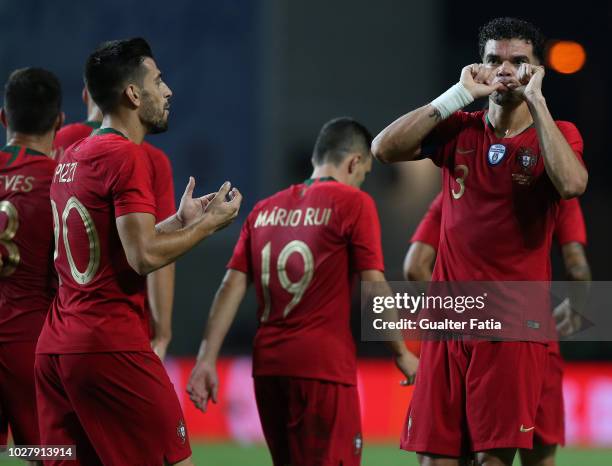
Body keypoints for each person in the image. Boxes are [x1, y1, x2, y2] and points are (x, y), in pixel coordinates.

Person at [372, 17, 587, 466]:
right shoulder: (461, 129)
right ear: (480, 66)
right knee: (433, 458)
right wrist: (458, 95)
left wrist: (537, 100)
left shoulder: (559, 134)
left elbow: (571, 185)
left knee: (493, 459)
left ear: (536, 69)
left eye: (518, 62)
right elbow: (383, 150)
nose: (505, 70)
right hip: (451, 320)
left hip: (512, 321)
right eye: (494, 60)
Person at [34, 38, 242, 465]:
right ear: (133, 93)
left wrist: (179, 222)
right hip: (109, 346)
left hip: (57, 348)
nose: (167, 91)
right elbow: (143, 257)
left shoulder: (72, 155)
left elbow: (112, 243)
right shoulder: (125, 157)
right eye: (158, 80)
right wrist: (208, 226)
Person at [187, 117, 418, 466]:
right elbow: (374, 284)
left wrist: (206, 358)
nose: (361, 183)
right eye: (363, 174)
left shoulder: (264, 210)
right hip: (322, 369)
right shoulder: (352, 204)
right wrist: (400, 352)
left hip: (269, 370)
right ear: (354, 162)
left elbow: (231, 285)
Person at [403, 194, 590, 466]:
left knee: (440, 455)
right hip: (525, 332)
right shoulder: (552, 187)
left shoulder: (456, 186)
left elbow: (414, 267)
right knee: (526, 456)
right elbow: (577, 267)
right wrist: (577, 302)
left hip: (452, 335)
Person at [54, 87, 176, 360]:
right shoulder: (146, 157)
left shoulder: (55, 144)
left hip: (52, 324)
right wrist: (163, 330)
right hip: (114, 328)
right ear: (131, 94)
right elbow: (156, 252)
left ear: (86, 94)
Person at [0, 67, 62, 458]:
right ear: (59, 122)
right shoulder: (59, 181)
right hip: (31, 343)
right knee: (52, 456)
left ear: (4, 118)